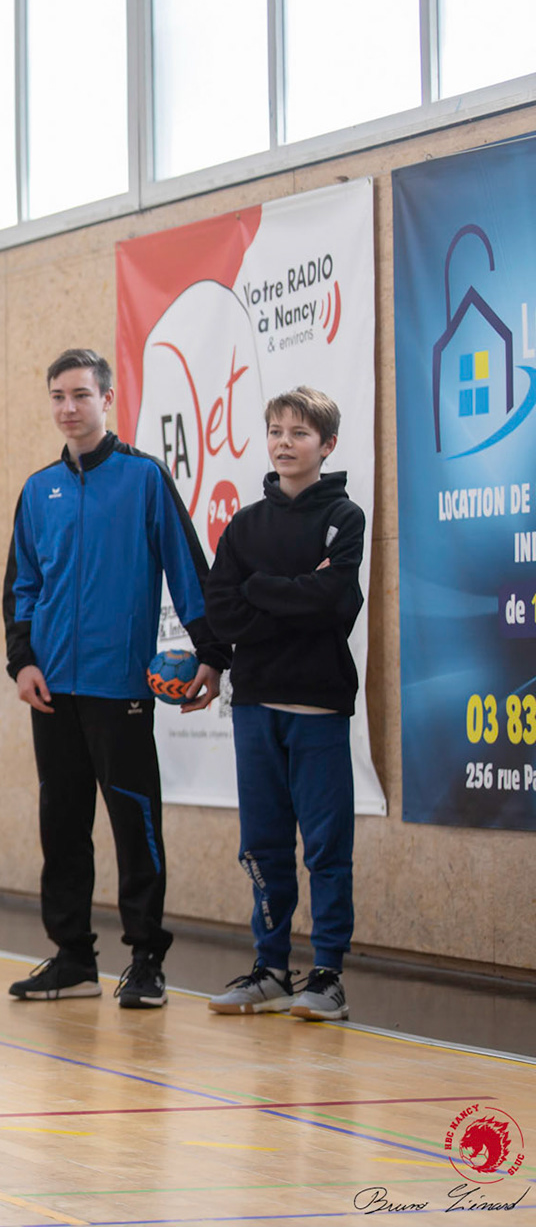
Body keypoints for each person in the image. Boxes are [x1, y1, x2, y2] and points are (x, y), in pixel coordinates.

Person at [2, 347, 228, 1009]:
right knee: (62, 825)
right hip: (52, 692)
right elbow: (22, 585)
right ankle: (73, 958)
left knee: (135, 824)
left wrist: (212, 654)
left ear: (108, 399)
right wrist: (23, 661)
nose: (68, 408)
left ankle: (147, 960)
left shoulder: (144, 479)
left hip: (120, 689)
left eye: (80, 395)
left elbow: (190, 574)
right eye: (57, 397)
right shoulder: (38, 490)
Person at [203, 387, 364, 1021]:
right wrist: (289, 598)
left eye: (299, 433)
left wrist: (260, 592)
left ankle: (327, 976)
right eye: (275, 431)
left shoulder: (343, 519)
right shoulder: (245, 525)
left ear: (325, 445)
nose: (284, 443)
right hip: (255, 703)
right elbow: (222, 606)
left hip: (319, 705)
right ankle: (271, 969)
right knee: (264, 843)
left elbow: (332, 602)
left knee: (325, 845)